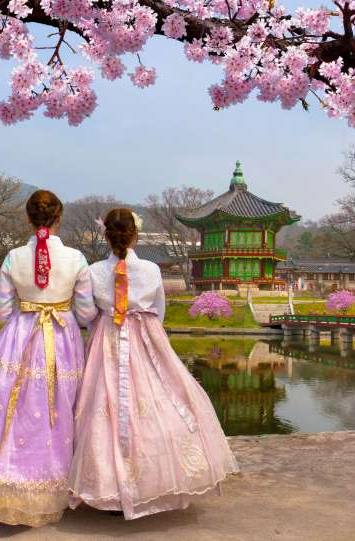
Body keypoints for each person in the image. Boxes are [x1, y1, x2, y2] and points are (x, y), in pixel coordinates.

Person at [68, 208, 239, 519]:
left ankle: (110, 488)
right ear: (135, 235)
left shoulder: (93, 271)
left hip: (107, 338)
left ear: (105, 236)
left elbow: (87, 315)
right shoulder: (150, 270)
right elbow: (157, 310)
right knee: (159, 401)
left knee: (101, 407)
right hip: (146, 337)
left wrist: (104, 321)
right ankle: (149, 483)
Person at [0, 190, 97, 526]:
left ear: (29, 218)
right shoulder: (76, 259)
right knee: (56, 409)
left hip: (20, 337)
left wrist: (27, 309)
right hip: (60, 340)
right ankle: (51, 486)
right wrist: (61, 308)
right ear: (59, 218)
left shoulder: (13, 257)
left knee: (10, 408)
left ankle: (1, 481)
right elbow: (86, 312)